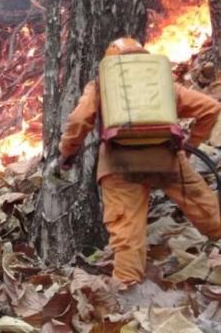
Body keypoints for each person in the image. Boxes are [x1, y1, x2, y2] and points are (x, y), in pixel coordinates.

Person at [60, 37, 221, 286]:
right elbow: (209, 108)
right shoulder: (161, 82)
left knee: (127, 230)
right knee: (205, 207)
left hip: (119, 164)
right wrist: (190, 145)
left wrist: (67, 152)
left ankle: (127, 287)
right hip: (166, 158)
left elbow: (80, 119)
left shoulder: (101, 85)